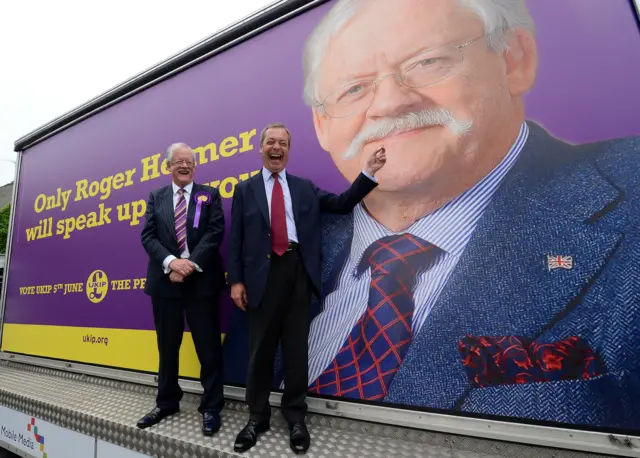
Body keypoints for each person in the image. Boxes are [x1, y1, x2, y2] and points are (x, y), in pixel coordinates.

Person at [224, 0, 640, 430]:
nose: (389, 104)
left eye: (427, 61)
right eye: (354, 89)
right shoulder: (299, 245)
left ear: (515, 60)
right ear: (322, 126)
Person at [227, 122, 386, 453]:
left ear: (288, 150)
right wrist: (237, 281)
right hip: (261, 277)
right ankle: (257, 418)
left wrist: (367, 173)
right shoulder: (245, 190)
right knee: (260, 352)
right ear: (261, 148)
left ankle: (295, 417)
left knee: (297, 350)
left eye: (283, 143)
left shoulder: (303, 188)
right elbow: (236, 239)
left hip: (298, 272)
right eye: (270, 141)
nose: (276, 147)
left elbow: (342, 204)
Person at [138, 142, 227, 436]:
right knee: (167, 347)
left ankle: (211, 407)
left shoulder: (208, 194)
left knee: (209, 348)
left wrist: (189, 264)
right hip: (166, 284)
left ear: (195, 167)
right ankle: (166, 402)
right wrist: (172, 263)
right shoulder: (156, 197)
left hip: (201, 283)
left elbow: (215, 232)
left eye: (190, 161)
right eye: (179, 161)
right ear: (168, 166)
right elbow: (148, 236)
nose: (185, 166)